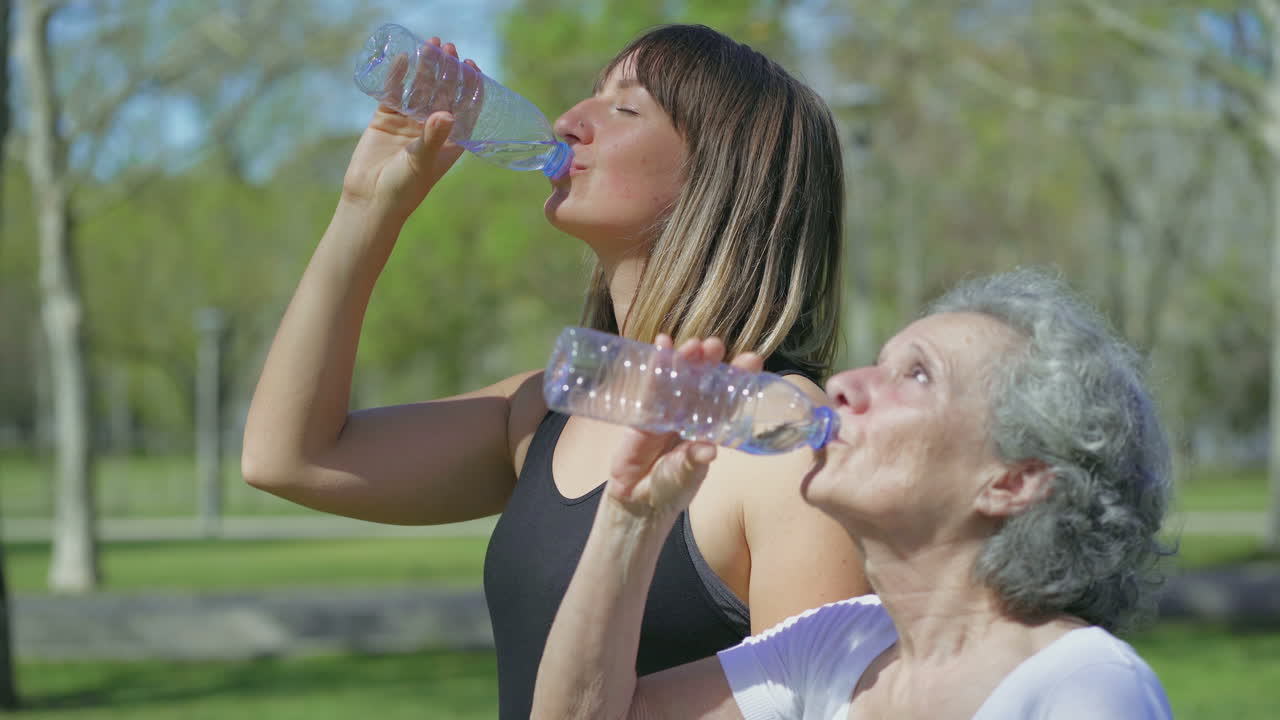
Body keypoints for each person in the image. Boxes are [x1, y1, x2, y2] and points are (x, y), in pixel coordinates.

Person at [241, 24, 866, 719]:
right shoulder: (546, 410)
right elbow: (289, 457)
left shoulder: (781, 442)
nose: (569, 122)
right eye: (590, 98)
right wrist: (368, 205)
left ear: (723, 176)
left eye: (624, 109)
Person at [530, 268, 1176, 719]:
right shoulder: (838, 648)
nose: (844, 384)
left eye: (917, 374)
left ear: (1013, 480)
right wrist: (633, 517)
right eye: (880, 360)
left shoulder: (1084, 688)